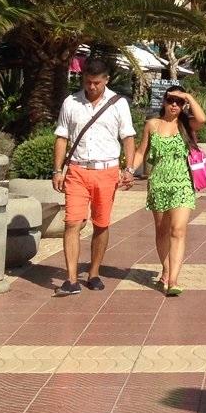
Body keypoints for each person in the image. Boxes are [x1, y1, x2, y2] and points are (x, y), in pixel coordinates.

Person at [52, 57, 136, 295]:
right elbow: (62, 137)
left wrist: (128, 169)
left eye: (96, 83)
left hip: (106, 171)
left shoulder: (118, 104)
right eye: (88, 82)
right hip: (77, 170)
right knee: (72, 223)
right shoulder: (71, 102)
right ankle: (70, 279)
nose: (92, 87)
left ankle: (94, 272)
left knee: (101, 223)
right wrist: (57, 170)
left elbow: (128, 137)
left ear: (106, 80)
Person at [128, 87, 205, 296]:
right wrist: (128, 171)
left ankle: (173, 281)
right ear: (163, 101)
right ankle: (166, 268)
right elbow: (141, 151)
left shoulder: (186, 125)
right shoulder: (152, 125)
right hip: (158, 184)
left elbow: (202, 118)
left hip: (182, 184)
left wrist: (188, 96)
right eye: (171, 100)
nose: (174, 105)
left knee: (178, 230)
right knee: (162, 231)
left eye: (179, 102)